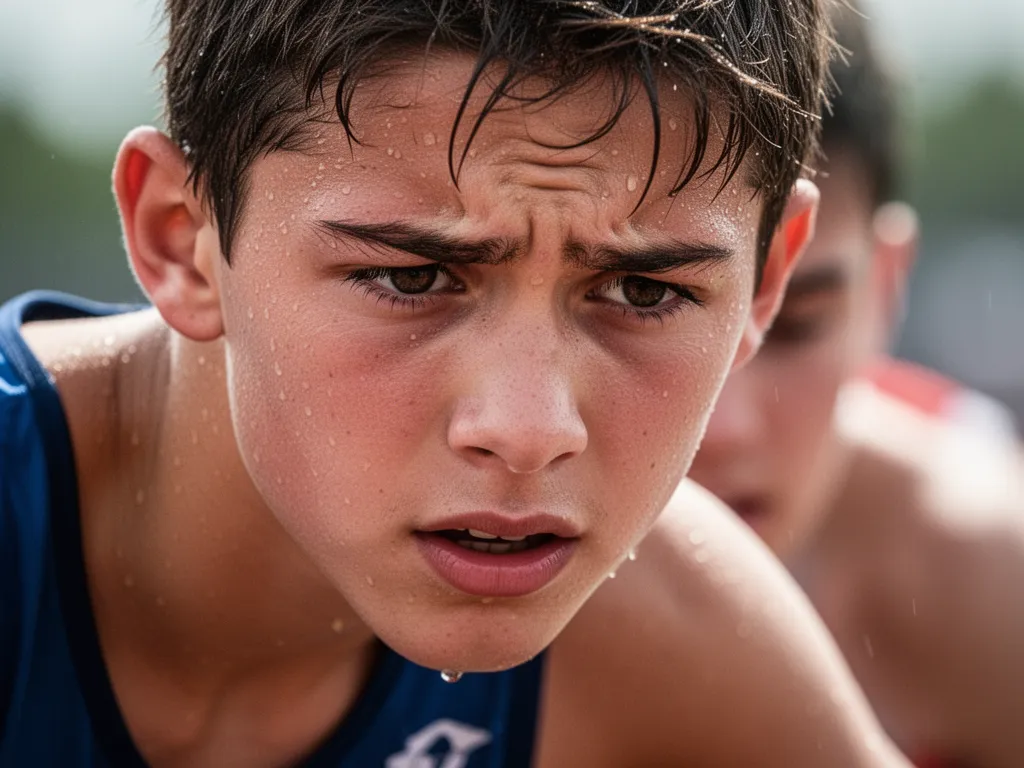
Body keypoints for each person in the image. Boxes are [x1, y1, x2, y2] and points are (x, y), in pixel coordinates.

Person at [0, 1, 911, 766]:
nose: (527, 428)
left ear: (765, 277)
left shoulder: (678, 630)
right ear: (179, 239)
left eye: (645, 291)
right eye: (412, 278)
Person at [688, 4, 1024, 767]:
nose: (725, 423)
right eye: (647, 300)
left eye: (797, 323)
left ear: (888, 284)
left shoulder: (989, 572)